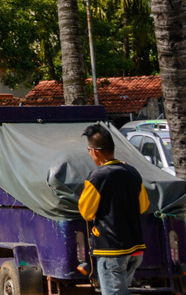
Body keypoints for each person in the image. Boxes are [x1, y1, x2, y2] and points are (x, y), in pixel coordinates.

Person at [79, 125, 149, 295]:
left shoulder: (97, 177)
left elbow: (86, 212)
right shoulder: (132, 173)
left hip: (111, 249)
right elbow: (143, 206)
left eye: (89, 149)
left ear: (95, 151)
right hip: (134, 247)